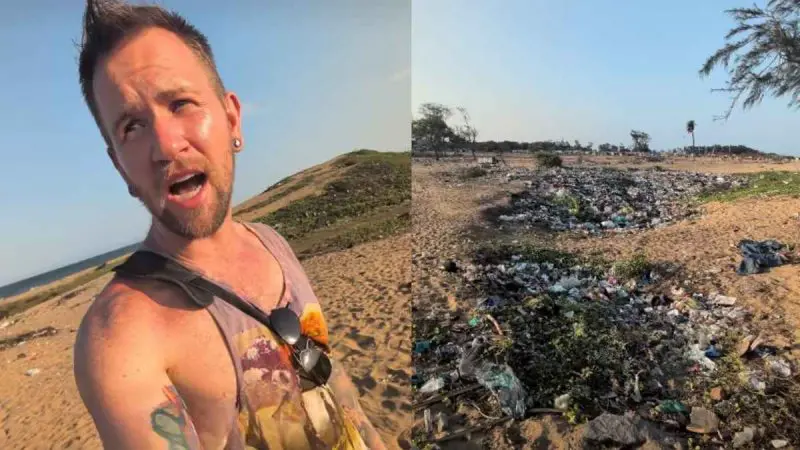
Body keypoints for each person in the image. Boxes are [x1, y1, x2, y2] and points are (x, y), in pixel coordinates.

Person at [71, 1, 386, 449]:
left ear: (231, 117)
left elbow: (335, 387)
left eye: (180, 103)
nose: (165, 145)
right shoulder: (121, 338)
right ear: (120, 167)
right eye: (131, 127)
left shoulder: (271, 243)